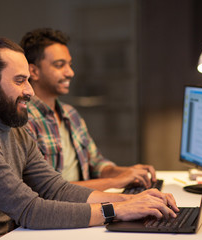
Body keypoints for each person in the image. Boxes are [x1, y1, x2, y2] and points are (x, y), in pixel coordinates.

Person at [0, 37, 178, 240]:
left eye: (28, 80)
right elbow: (31, 211)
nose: (29, 91)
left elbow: (56, 189)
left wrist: (131, 201)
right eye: (19, 81)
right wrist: (116, 211)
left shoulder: (14, 130)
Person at [20, 28, 156, 191]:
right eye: (59, 65)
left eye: (69, 65)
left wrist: (127, 172)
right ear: (33, 71)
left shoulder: (70, 114)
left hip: (87, 201)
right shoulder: (24, 121)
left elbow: (96, 164)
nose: (70, 72)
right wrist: (117, 181)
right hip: (61, 211)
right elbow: (46, 190)